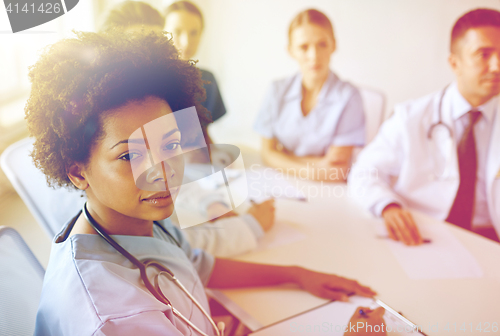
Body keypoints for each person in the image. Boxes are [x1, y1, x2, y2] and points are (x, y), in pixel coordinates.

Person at [29, 30, 381, 335]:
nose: (163, 171)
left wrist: (296, 273)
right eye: (129, 156)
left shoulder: (134, 220)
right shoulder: (115, 318)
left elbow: (193, 262)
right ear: (78, 172)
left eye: (170, 144)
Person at [99, 0, 274, 258]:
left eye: (157, 48)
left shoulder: (155, 100)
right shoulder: (109, 130)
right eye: (138, 51)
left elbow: (178, 164)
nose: (152, 61)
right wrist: (248, 225)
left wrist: (212, 203)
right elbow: (166, 248)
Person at [348, 8, 500, 245]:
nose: (496, 66)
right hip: (425, 233)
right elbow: (363, 172)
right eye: (484, 54)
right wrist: (388, 206)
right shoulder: (410, 117)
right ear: (454, 63)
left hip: (490, 240)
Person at [254, 9, 365, 182]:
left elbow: (336, 170)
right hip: (282, 182)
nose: (314, 56)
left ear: (333, 45)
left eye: (322, 44)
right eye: (303, 47)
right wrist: (316, 167)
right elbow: (266, 153)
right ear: (291, 51)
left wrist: (283, 156)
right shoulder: (276, 90)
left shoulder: (349, 97)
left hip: (330, 191)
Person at [164, 1, 226, 133]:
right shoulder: (146, 81)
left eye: (194, 33)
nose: (186, 42)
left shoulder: (207, 81)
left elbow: (203, 134)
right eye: (177, 31)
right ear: (161, 31)